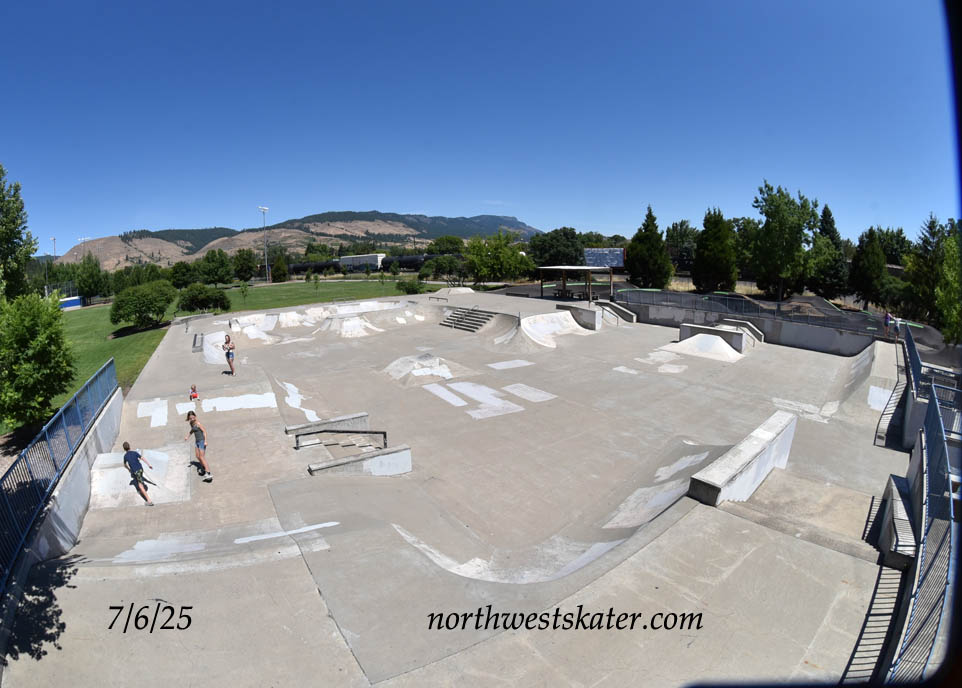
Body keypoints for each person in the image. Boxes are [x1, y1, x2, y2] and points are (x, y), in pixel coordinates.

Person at [122, 441, 154, 506]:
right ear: (129, 446)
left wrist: (129, 469)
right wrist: (149, 465)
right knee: (137, 477)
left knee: (140, 485)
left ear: (124, 449)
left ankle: (149, 501)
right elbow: (142, 458)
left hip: (136, 471)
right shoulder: (135, 453)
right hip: (141, 469)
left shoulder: (125, 456)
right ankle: (141, 484)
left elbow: (125, 465)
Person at [184, 411, 212, 482]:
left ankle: (208, 473)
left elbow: (204, 431)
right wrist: (187, 436)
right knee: (197, 456)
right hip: (197, 442)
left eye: (193, 417)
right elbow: (192, 430)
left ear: (195, 416)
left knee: (202, 457)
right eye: (190, 418)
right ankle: (203, 468)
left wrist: (205, 441)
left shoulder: (198, 423)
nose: (192, 419)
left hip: (202, 441)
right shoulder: (191, 423)